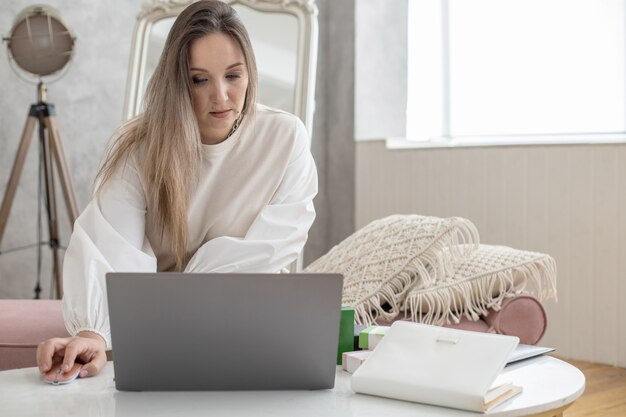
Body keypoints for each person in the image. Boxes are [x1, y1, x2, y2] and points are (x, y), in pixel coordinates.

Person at [36, 0, 317, 379]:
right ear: (177, 82)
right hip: (153, 326)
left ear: (250, 71)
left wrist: (169, 306)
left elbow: (267, 250)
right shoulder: (140, 148)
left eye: (234, 75)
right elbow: (108, 244)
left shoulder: (285, 138)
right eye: (199, 80)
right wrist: (94, 332)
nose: (220, 96)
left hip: (240, 315)